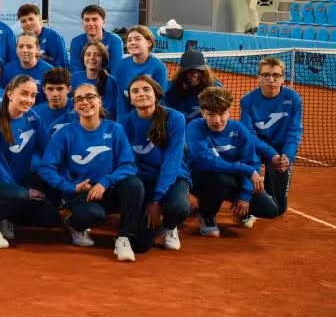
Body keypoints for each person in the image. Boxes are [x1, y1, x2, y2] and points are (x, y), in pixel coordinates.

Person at [38, 82, 146, 261]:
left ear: (100, 101)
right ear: (74, 106)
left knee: (134, 185)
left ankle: (124, 238)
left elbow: (128, 165)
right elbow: (46, 168)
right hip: (81, 193)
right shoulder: (65, 133)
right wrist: (70, 187)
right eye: (79, 99)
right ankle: (72, 224)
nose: (85, 102)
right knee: (93, 215)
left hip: (109, 190)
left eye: (90, 97)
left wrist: (105, 182)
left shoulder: (115, 129)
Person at [0, 76, 61, 249]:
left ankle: (8, 217)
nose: (29, 100)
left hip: (21, 183)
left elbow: (49, 150)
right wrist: (22, 191)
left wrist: (59, 179)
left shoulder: (33, 118)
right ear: (10, 94)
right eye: (24, 94)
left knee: (51, 217)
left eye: (33, 95)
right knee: (19, 195)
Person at [186, 87, 281, 236]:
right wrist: (246, 170)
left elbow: (252, 162)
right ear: (203, 113)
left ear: (229, 111)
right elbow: (205, 161)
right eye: (211, 114)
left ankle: (240, 212)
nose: (217, 120)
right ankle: (207, 216)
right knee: (221, 181)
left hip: (232, 178)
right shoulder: (195, 127)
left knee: (270, 210)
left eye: (222, 114)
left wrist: (245, 194)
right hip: (201, 178)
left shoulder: (239, 129)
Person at [123, 76, 191, 252]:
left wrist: (156, 199)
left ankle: (170, 225)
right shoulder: (123, 123)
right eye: (135, 91)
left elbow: (172, 162)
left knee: (179, 208)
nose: (141, 94)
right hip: (142, 181)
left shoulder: (175, 118)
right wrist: (141, 198)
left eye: (146, 89)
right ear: (130, 99)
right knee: (140, 245)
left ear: (156, 94)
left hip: (173, 178)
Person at [241, 56, 303, 215]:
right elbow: (249, 134)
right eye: (266, 75)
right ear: (259, 78)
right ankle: (241, 199)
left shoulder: (293, 99)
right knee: (242, 152)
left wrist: (287, 156)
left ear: (283, 79)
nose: (271, 79)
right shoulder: (247, 101)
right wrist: (271, 153)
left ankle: (266, 191)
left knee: (279, 209)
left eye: (276, 75)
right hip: (256, 149)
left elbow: (294, 131)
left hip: (281, 151)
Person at [112, 25, 168, 121]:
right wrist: (122, 122)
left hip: (152, 118)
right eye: (129, 40)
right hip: (128, 118)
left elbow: (159, 100)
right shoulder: (121, 66)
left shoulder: (159, 67)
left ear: (149, 43)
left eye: (137, 39)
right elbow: (121, 100)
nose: (132, 42)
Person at [164, 48, 221, 123]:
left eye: (199, 71)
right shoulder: (171, 89)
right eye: (191, 72)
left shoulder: (215, 88)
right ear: (183, 72)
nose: (195, 75)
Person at [70, 41, 119, 120]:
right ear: (83, 58)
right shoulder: (74, 78)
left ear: (103, 59)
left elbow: (107, 112)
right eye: (88, 54)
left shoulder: (110, 81)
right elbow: (69, 106)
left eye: (97, 55)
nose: (92, 57)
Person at [69, 5, 124, 72]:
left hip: (108, 81)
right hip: (84, 81)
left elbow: (116, 71)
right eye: (87, 20)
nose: (90, 24)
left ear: (103, 22)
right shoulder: (76, 42)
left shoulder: (115, 40)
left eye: (94, 19)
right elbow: (76, 71)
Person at [2, 33, 53, 103]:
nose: (25, 50)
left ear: (37, 49)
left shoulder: (49, 71)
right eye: (21, 46)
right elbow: (2, 97)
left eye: (29, 47)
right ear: (16, 48)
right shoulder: (7, 69)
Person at [17, 3, 69, 69]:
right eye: (23, 21)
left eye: (30, 19)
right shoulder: (22, 40)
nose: (28, 23)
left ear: (39, 18)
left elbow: (60, 66)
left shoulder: (52, 36)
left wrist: (40, 55)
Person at [33, 68, 74, 137]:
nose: (55, 94)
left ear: (69, 89)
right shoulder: (34, 113)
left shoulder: (79, 108)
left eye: (60, 89)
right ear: (44, 89)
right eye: (50, 89)